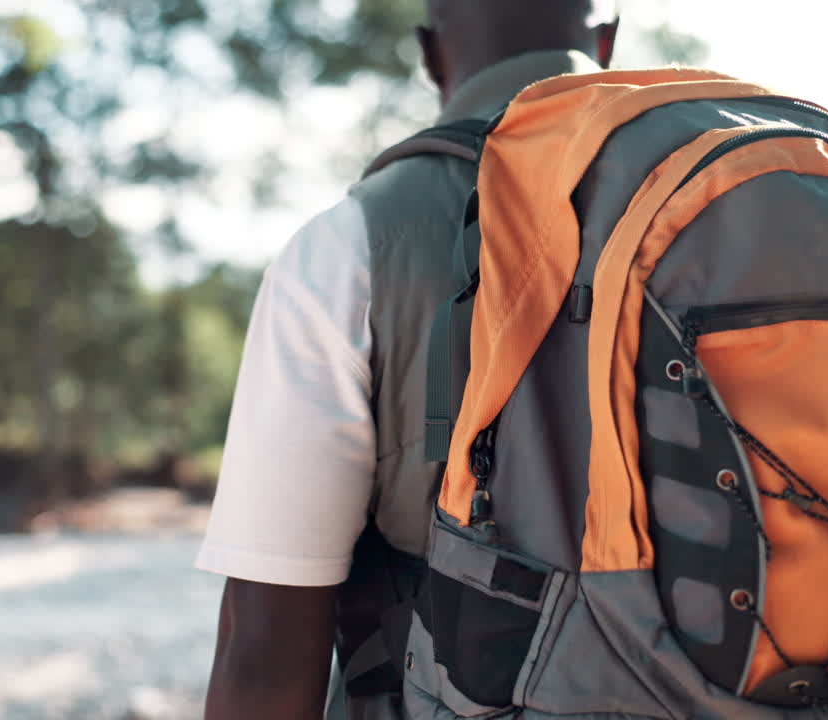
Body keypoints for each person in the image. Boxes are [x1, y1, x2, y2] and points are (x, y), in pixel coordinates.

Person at [198, 2, 620, 718]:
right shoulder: (744, 214)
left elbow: (267, 651)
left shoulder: (352, 247)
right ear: (609, 40)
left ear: (430, 54)